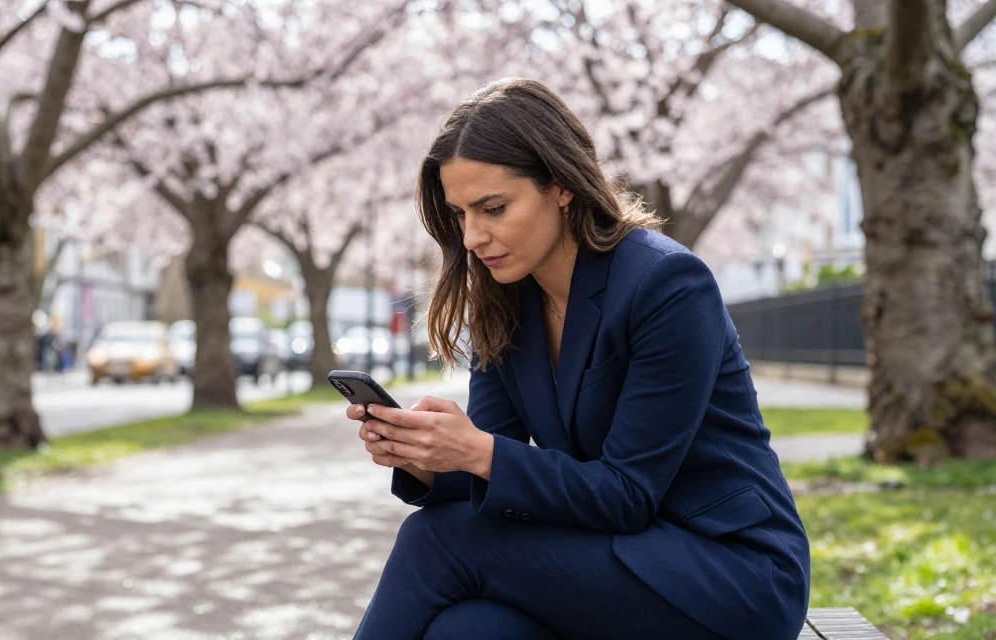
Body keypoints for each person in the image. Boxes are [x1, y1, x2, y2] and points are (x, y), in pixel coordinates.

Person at [345, 78, 811, 640]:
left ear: (562, 186)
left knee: (435, 540)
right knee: (470, 629)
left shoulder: (667, 284)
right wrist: (424, 457)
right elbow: (499, 468)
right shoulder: (506, 301)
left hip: (724, 572)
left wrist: (480, 452)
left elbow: (628, 494)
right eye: (460, 214)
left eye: (493, 208)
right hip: (604, 555)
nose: (471, 237)